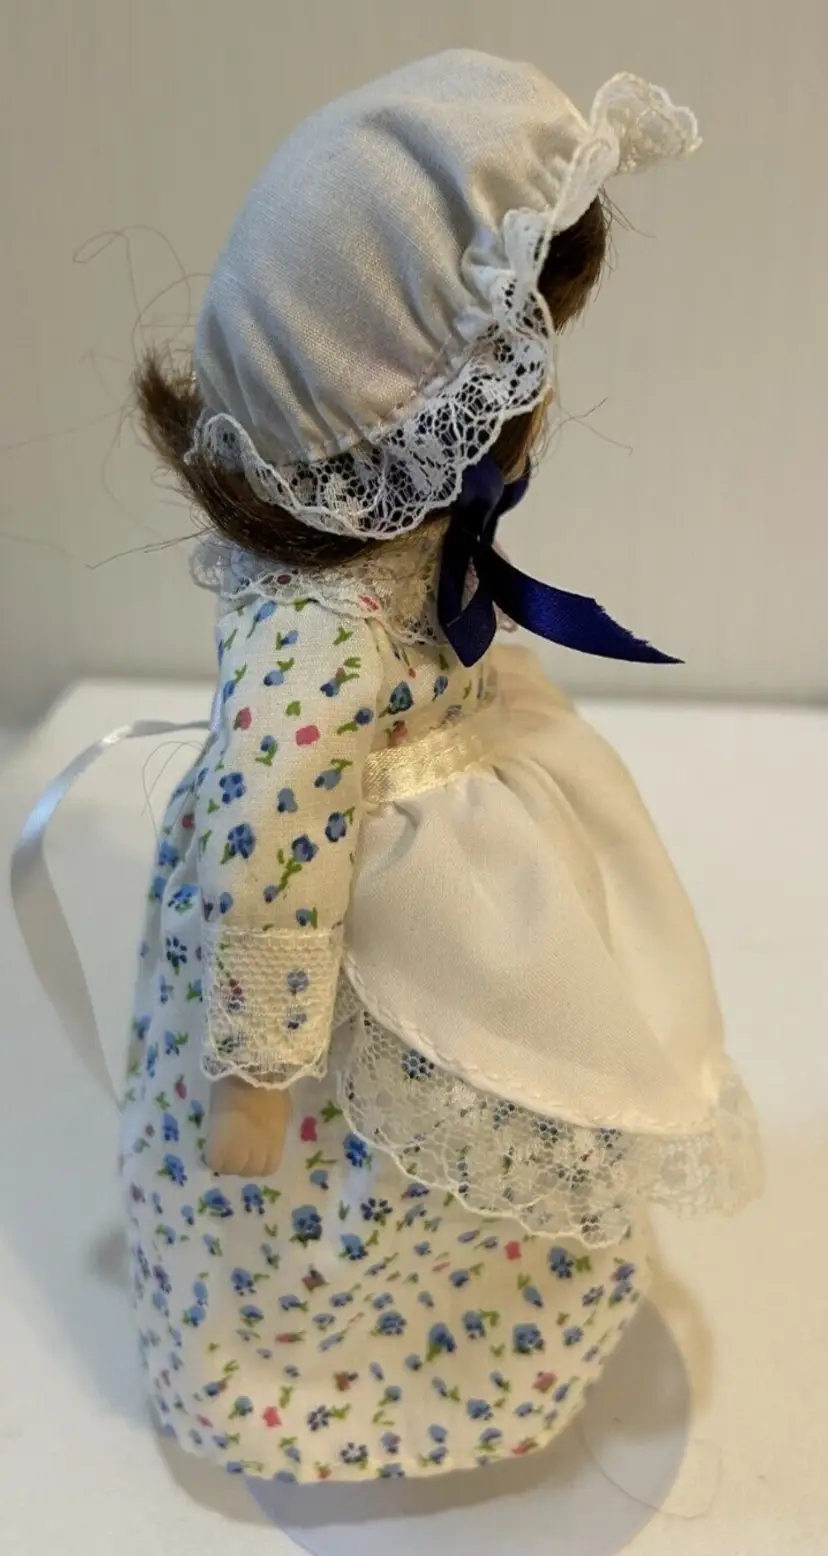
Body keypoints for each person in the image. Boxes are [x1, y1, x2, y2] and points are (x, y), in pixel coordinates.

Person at [123, 49, 761, 1484]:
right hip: (359, 943)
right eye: (515, 368)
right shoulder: (322, 637)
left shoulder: (394, 557)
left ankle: (469, 1340)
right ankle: (339, 1386)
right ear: (412, 412)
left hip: (451, 844)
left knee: (494, 1131)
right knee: (357, 1188)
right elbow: (274, 837)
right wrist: (257, 1076)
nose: (537, 402)